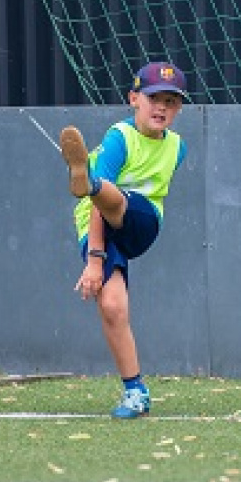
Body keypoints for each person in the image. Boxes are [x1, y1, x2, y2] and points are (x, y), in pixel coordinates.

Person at [59, 62, 188, 419]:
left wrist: (95, 257)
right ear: (134, 99)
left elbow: (112, 204)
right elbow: (96, 210)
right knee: (113, 306)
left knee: (117, 199)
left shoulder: (178, 148)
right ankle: (136, 393)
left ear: (178, 109)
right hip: (95, 220)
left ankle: (90, 183)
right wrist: (95, 260)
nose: (162, 107)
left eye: (171, 102)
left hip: (142, 221)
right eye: (153, 99)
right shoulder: (120, 137)